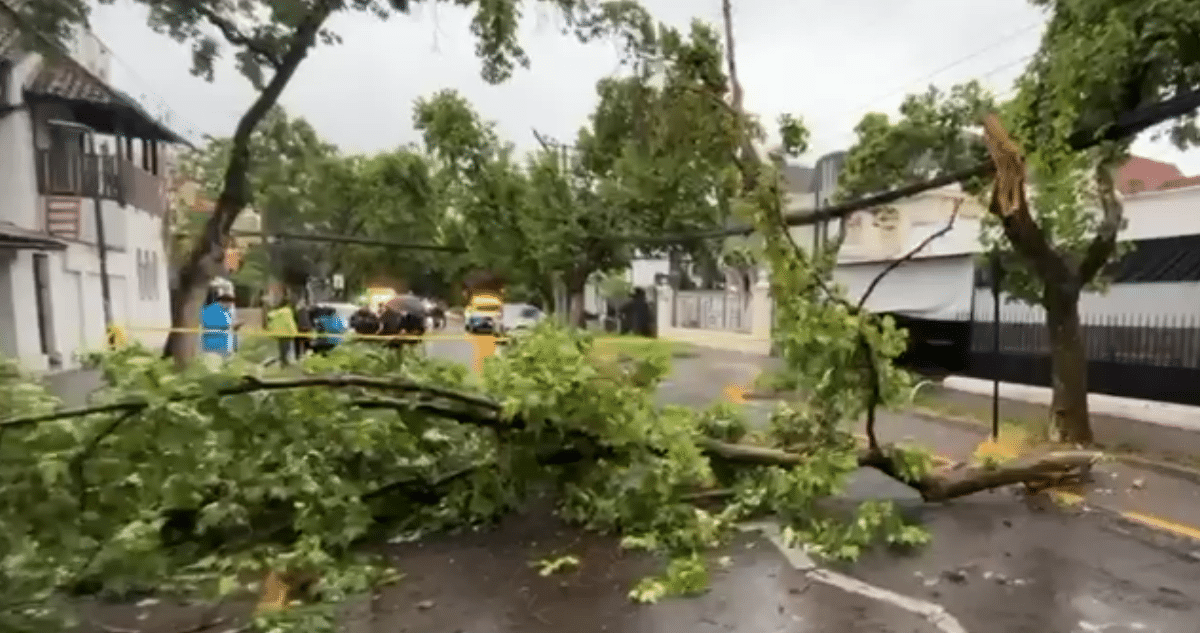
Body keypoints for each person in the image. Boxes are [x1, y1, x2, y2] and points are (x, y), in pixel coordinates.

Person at [200, 293, 240, 369]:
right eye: (230, 302)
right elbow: (224, 325)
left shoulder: (225, 311)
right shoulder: (213, 310)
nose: (231, 304)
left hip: (223, 342)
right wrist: (235, 325)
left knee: (222, 365)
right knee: (214, 366)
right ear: (223, 301)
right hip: (216, 342)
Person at [266, 298, 299, 366]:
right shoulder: (287, 311)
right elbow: (289, 322)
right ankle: (286, 361)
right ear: (288, 304)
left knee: (282, 348)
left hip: (279, 333)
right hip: (287, 333)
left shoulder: (275, 312)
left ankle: (283, 361)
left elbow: (271, 320)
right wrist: (294, 332)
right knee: (288, 347)